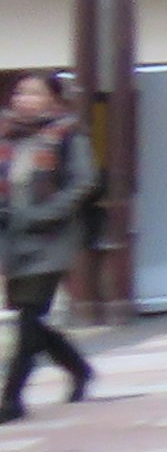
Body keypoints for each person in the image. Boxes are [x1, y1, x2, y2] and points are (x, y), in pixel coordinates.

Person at [1, 70, 97, 421]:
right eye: (19, 93)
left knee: (28, 316)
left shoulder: (67, 134)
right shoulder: (7, 134)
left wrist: (47, 213)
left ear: (53, 100)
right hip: (12, 237)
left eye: (33, 93)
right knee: (32, 318)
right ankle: (79, 368)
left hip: (50, 238)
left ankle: (11, 398)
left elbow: (83, 182)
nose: (22, 99)